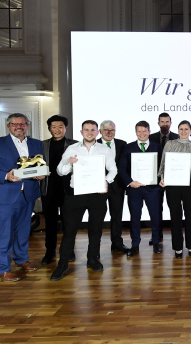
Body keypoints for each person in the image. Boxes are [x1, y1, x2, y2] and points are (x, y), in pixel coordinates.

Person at [0, 113, 44, 282]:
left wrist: (40, 175)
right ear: (9, 127)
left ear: (27, 126)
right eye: (15, 124)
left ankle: (21, 260)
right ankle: (3, 269)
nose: (18, 127)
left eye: (22, 124)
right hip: (5, 195)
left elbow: (38, 167)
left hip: (27, 194)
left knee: (23, 231)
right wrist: (6, 176)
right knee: (5, 233)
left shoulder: (36, 144)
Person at [50, 120, 117, 281]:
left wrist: (106, 182)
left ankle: (92, 259)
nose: (89, 133)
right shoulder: (72, 149)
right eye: (86, 130)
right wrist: (69, 163)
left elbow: (113, 170)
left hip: (97, 195)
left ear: (98, 132)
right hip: (76, 194)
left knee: (95, 230)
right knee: (69, 232)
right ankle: (63, 264)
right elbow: (60, 171)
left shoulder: (104, 149)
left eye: (92, 130)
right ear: (81, 132)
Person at [118, 121, 164, 257]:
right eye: (139, 131)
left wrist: (162, 178)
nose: (142, 134)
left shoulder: (158, 147)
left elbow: (162, 167)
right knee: (135, 218)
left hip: (153, 188)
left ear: (149, 132)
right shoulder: (128, 147)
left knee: (155, 217)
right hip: (134, 189)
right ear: (135, 132)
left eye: (144, 131)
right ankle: (135, 245)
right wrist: (130, 182)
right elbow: (121, 169)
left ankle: (156, 242)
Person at [159, 120, 191, 258]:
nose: (183, 131)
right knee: (175, 215)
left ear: (190, 130)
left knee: (190, 215)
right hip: (172, 182)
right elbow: (163, 162)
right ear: (178, 130)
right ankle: (177, 248)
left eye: (186, 129)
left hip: (189, 181)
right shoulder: (170, 143)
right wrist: (162, 178)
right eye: (181, 129)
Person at [40, 114, 77, 265]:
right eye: (53, 127)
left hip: (68, 190)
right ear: (49, 129)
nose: (57, 130)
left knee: (69, 222)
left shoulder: (75, 145)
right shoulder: (41, 145)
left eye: (60, 127)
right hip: (48, 189)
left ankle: (68, 251)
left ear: (66, 128)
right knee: (50, 223)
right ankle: (50, 252)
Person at [98, 120, 129, 254]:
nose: (110, 133)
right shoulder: (94, 144)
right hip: (99, 187)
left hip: (117, 187)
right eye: (106, 130)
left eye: (112, 130)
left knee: (117, 216)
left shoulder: (122, 144)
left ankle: (117, 243)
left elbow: (126, 165)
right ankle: (95, 247)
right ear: (100, 132)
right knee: (97, 217)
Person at [149, 112, 179, 245]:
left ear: (170, 123)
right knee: (156, 208)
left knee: (174, 208)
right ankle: (157, 235)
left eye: (167, 122)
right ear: (158, 123)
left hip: (174, 179)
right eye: (162, 122)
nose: (165, 124)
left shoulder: (178, 137)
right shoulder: (151, 138)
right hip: (156, 179)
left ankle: (176, 235)